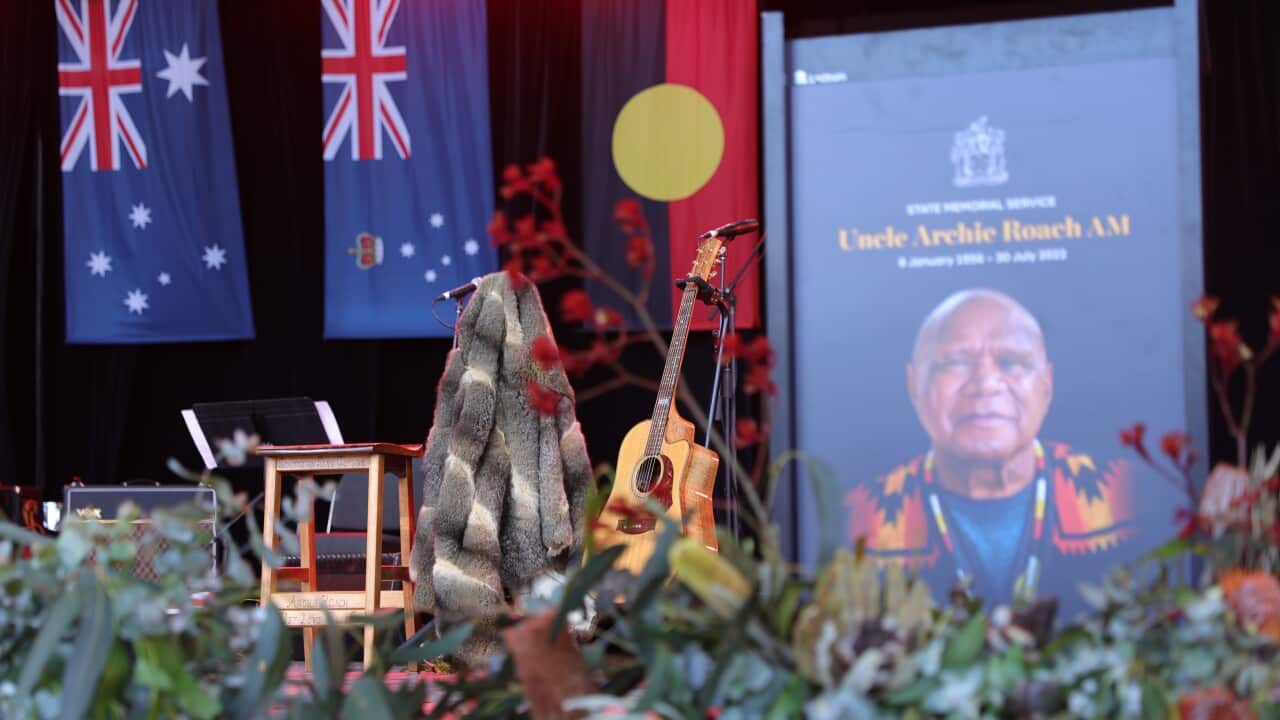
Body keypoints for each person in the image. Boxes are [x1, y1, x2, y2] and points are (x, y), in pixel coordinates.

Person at [846, 289, 1135, 614]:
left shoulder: (1123, 497)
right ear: (914, 385)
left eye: (1011, 363)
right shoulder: (859, 519)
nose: (985, 384)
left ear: (1047, 384)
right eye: (955, 363)